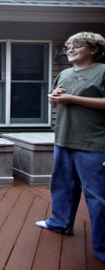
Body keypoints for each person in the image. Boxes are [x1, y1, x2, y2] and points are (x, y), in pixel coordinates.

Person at [35, 31, 105, 263]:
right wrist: (52, 97)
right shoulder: (65, 73)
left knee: (97, 197)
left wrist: (71, 99)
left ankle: (102, 248)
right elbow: (55, 98)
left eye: (77, 46)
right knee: (62, 187)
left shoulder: (102, 71)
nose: (70, 50)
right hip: (64, 140)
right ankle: (60, 223)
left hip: (94, 145)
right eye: (69, 47)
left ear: (94, 50)